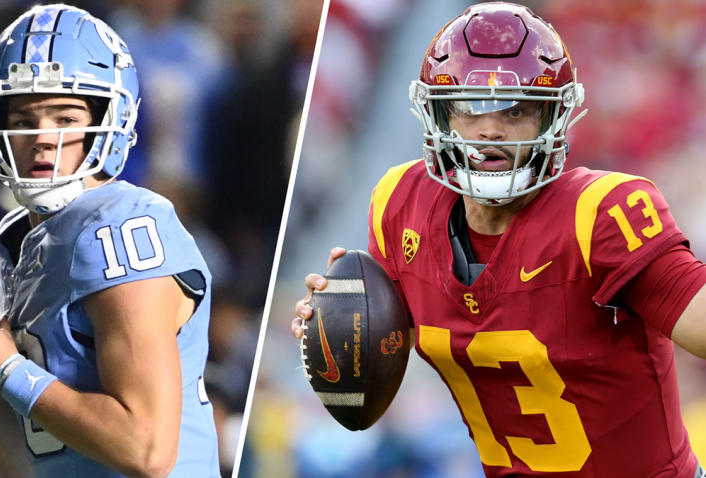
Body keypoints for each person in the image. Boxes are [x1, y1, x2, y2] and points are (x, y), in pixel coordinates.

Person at [292, 3, 706, 478]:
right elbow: (384, 348)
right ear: (440, 115)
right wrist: (333, 325)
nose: (490, 128)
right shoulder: (398, 205)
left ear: (552, 117)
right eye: (470, 106)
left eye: (517, 109)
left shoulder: (601, 215)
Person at [0, 4, 220, 478]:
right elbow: (29, 464)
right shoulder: (13, 243)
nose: (43, 139)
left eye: (64, 117)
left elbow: (146, 450)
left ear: (109, 120)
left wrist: (5, 369)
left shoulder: (121, 227)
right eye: (24, 121)